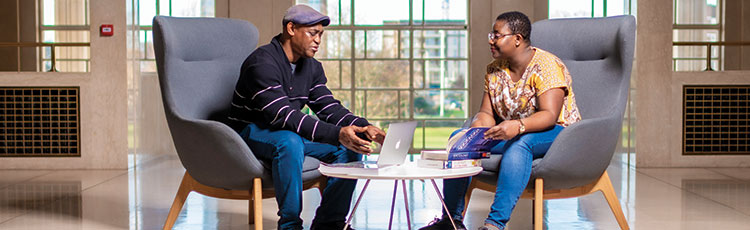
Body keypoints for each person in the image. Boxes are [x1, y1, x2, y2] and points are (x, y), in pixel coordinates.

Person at [227, 4, 386, 230]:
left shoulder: (311, 68)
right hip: (249, 133)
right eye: (313, 33)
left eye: (321, 34)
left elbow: (329, 107)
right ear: (291, 29)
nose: (318, 40)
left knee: (349, 147)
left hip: (288, 132)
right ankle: (290, 225)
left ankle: (329, 223)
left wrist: (363, 126)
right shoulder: (261, 63)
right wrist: (336, 133)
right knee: (289, 142)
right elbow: (282, 115)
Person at [420, 11, 582, 230]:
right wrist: (479, 127)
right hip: (512, 130)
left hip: (555, 132)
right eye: (491, 34)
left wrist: (518, 126)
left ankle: (494, 224)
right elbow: (486, 111)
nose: (491, 40)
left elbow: (549, 115)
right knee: (459, 138)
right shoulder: (494, 70)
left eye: (497, 35)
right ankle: (450, 221)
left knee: (520, 145)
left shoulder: (547, 65)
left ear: (517, 39)